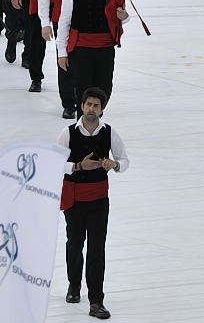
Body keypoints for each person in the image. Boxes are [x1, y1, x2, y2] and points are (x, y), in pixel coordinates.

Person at [57, 87, 129, 319]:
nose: (91, 109)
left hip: (99, 199)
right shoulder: (67, 133)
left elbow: (124, 160)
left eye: (96, 105)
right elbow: (53, 163)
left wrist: (114, 165)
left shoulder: (109, 133)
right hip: (75, 199)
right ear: (82, 106)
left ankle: (96, 300)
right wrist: (77, 166)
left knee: (97, 249)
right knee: (75, 244)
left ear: (102, 109)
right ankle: (74, 286)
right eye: (88, 104)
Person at [56, 0, 128, 107]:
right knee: (83, 90)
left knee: (104, 89)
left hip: (105, 48)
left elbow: (120, 18)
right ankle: (83, 124)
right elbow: (64, 22)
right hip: (80, 49)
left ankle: (96, 122)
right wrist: (62, 53)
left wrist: (124, 17)